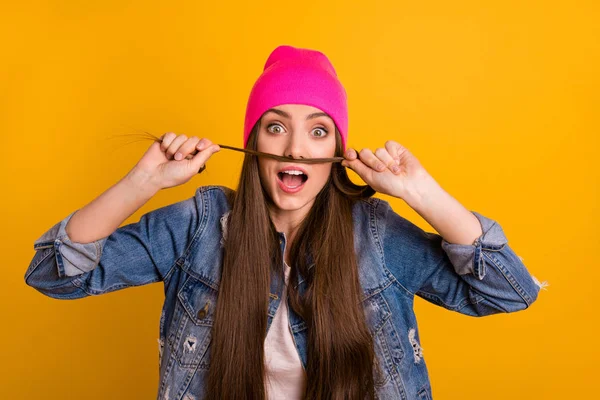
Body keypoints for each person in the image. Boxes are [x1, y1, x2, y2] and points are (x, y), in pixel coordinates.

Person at [24, 45, 547, 400]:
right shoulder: (198, 227)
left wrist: (420, 193)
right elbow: (54, 273)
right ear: (254, 144)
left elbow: (509, 292)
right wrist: (142, 183)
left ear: (339, 150)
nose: (296, 147)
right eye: (277, 127)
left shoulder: (377, 235)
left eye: (319, 132)